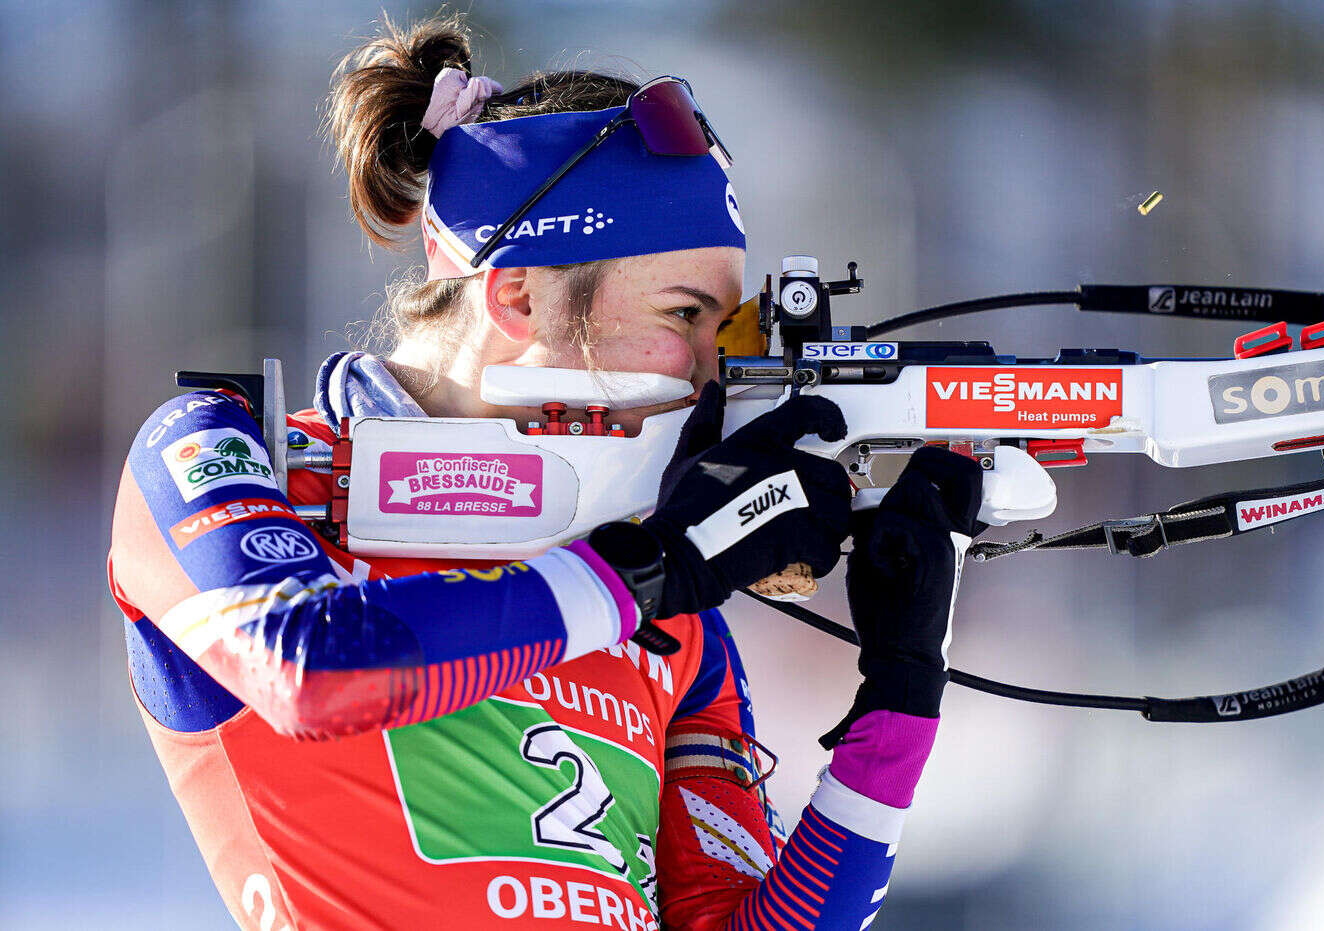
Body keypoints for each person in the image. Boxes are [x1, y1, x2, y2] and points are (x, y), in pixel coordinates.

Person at [107, 12, 982, 929]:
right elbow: (313, 671)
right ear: (518, 294)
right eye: (685, 315)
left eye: (724, 331)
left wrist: (901, 695)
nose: (713, 374)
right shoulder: (230, 453)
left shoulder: (664, 609)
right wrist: (649, 570)